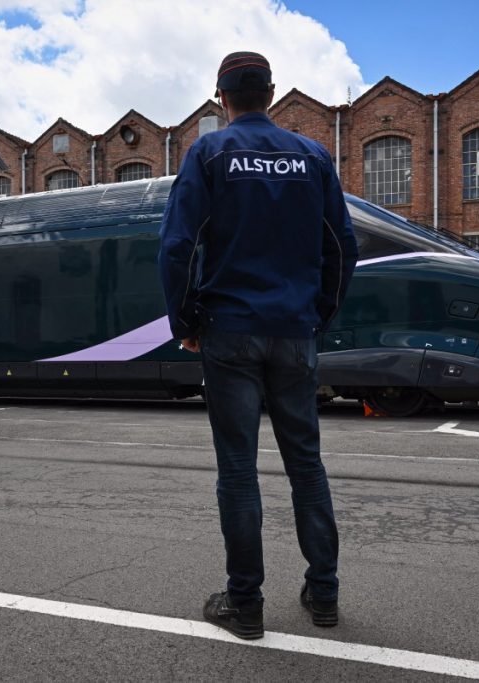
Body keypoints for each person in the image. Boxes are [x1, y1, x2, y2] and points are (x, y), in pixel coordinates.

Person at [158, 51, 358, 640]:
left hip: (229, 331)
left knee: (239, 471)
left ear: (222, 99)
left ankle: (245, 605)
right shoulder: (314, 156)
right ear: (270, 94)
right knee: (306, 465)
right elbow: (342, 247)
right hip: (295, 331)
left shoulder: (209, 153)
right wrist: (319, 312)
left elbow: (176, 247)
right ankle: (324, 593)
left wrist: (185, 318)